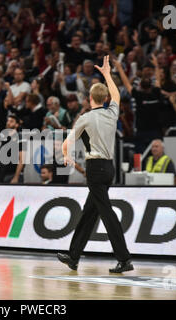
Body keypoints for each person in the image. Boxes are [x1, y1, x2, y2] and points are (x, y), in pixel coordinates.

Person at [58, 56, 133, 273]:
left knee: (106, 213)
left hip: (95, 168)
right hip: (109, 167)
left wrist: (66, 156)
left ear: (90, 98)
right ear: (105, 98)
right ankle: (73, 256)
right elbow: (117, 94)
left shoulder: (85, 118)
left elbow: (67, 142)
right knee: (90, 211)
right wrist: (108, 74)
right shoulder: (112, 113)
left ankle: (124, 258)